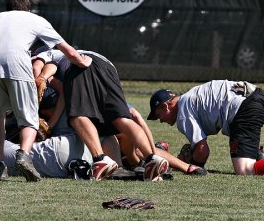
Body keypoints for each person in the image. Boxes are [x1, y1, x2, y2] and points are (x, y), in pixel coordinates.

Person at [0, 0, 92, 182]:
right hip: (16, 62)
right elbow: (68, 50)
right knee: (29, 118)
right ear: (28, 10)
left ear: (8, 9)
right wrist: (83, 61)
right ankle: (23, 155)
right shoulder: (35, 19)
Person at [33, 49, 169, 181]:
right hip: (107, 66)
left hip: (79, 65)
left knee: (76, 116)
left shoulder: (46, 56)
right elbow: (64, 93)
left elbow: (44, 66)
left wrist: (41, 76)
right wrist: (51, 124)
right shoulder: (64, 54)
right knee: (120, 119)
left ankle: (100, 159)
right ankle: (152, 158)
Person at [147, 80, 264, 175]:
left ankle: (252, 153)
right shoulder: (190, 97)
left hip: (246, 107)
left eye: (159, 115)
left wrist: (192, 165)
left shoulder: (183, 111)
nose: (160, 121)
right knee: (240, 140)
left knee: (245, 170)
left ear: (166, 106)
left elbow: (202, 151)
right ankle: (255, 153)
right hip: (259, 96)